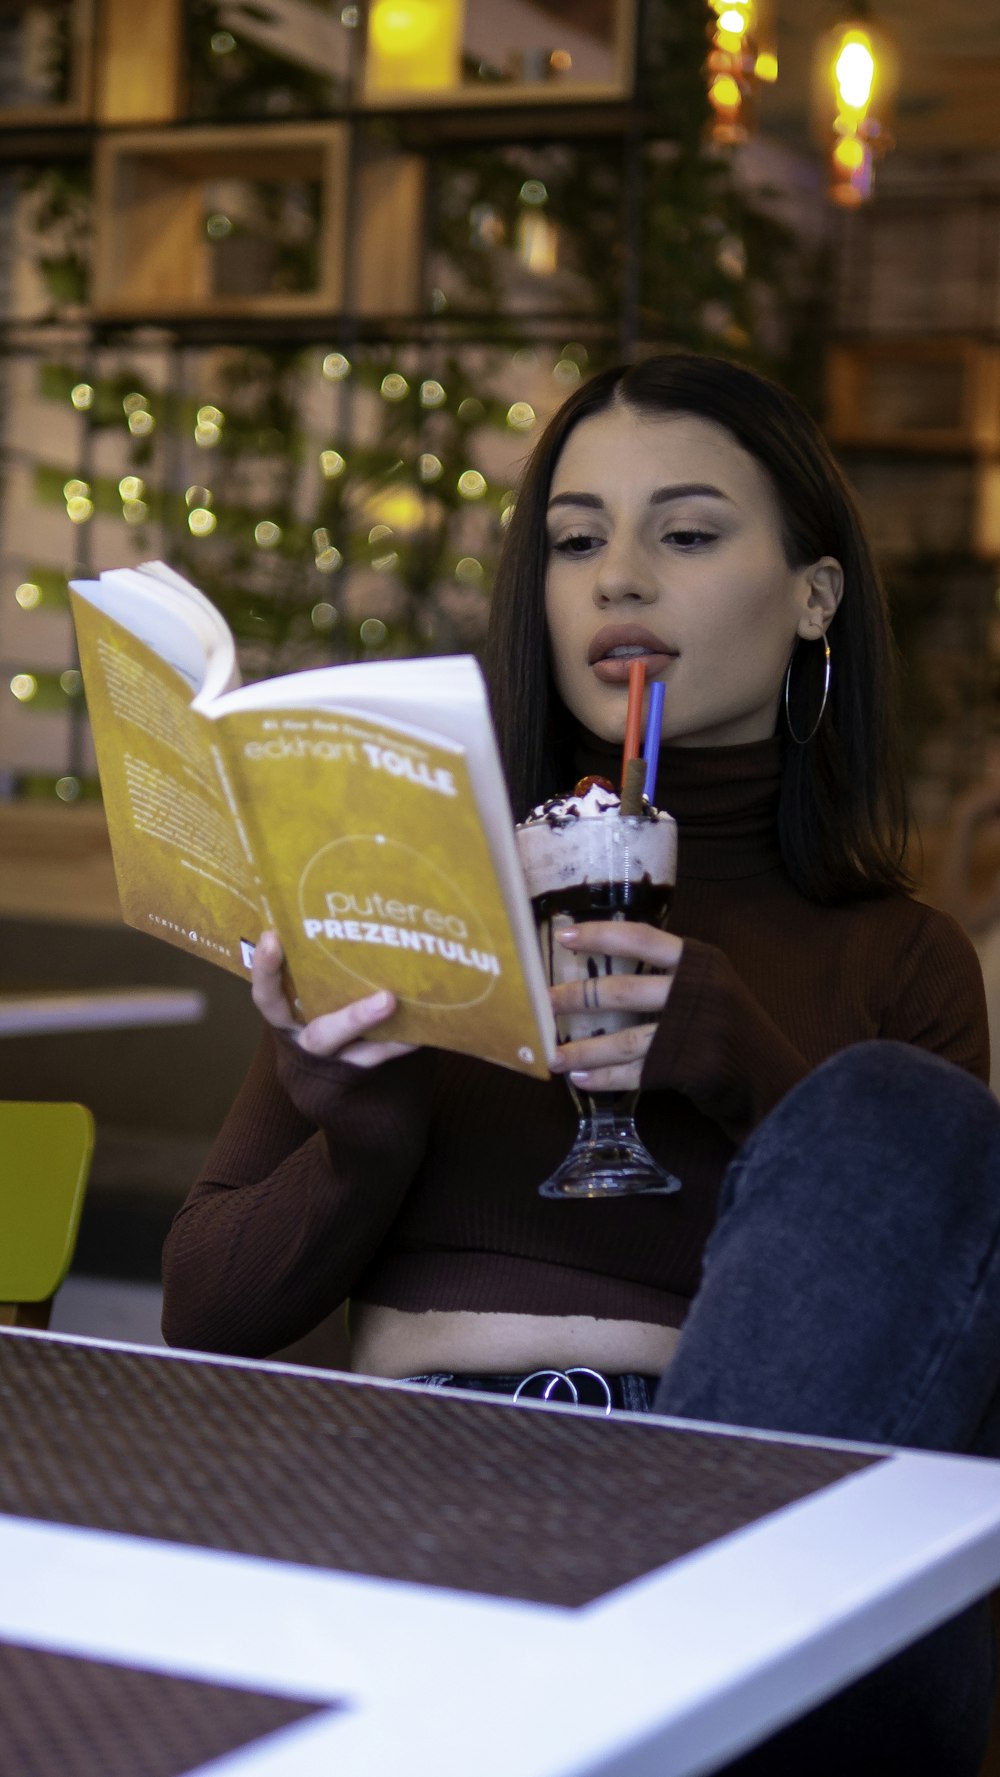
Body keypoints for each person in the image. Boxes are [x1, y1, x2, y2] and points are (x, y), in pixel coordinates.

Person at [161, 353, 1000, 1774]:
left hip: (744, 1529)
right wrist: (367, 1130)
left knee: (905, 1119)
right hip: (407, 1511)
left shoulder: (899, 957)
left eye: (683, 532)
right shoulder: (417, 898)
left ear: (812, 596)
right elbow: (204, 1313)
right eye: (574, 538)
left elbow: (947, 1334)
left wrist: (750, 1064)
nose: (618, 577)